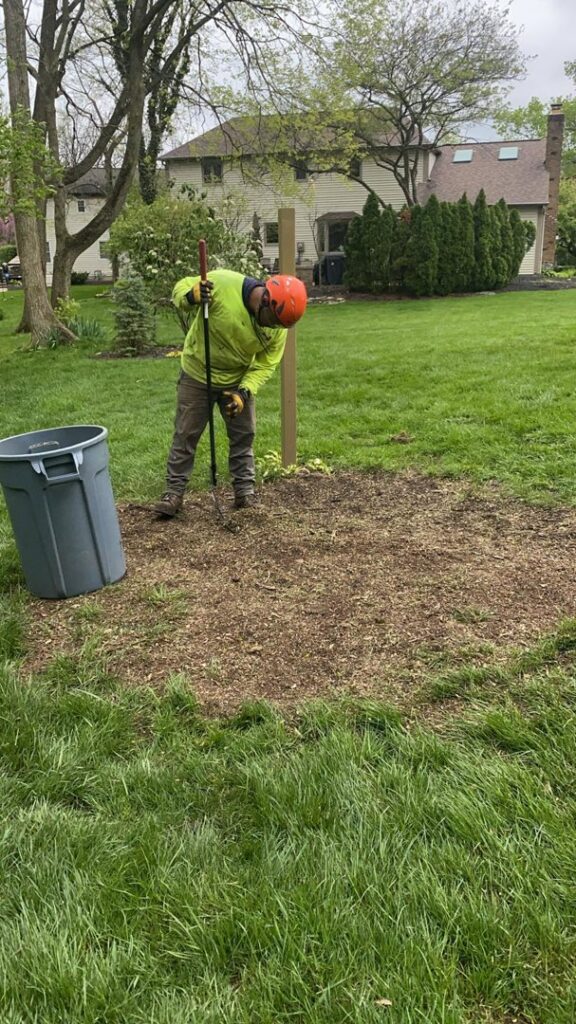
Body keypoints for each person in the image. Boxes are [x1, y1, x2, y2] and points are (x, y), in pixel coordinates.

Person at [154, 268, 308, 516]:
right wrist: (191, 296)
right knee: (186, 435)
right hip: (198, 373)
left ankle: (244, 494)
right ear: (265, 300)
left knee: (244, 436)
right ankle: (174, 494)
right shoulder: (223, 284)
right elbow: (180, 288)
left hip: (236, 380)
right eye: (274, 322)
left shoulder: (279, 328)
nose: (276, 329)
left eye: (282, 326)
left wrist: (243, 393)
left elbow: (265, 364)